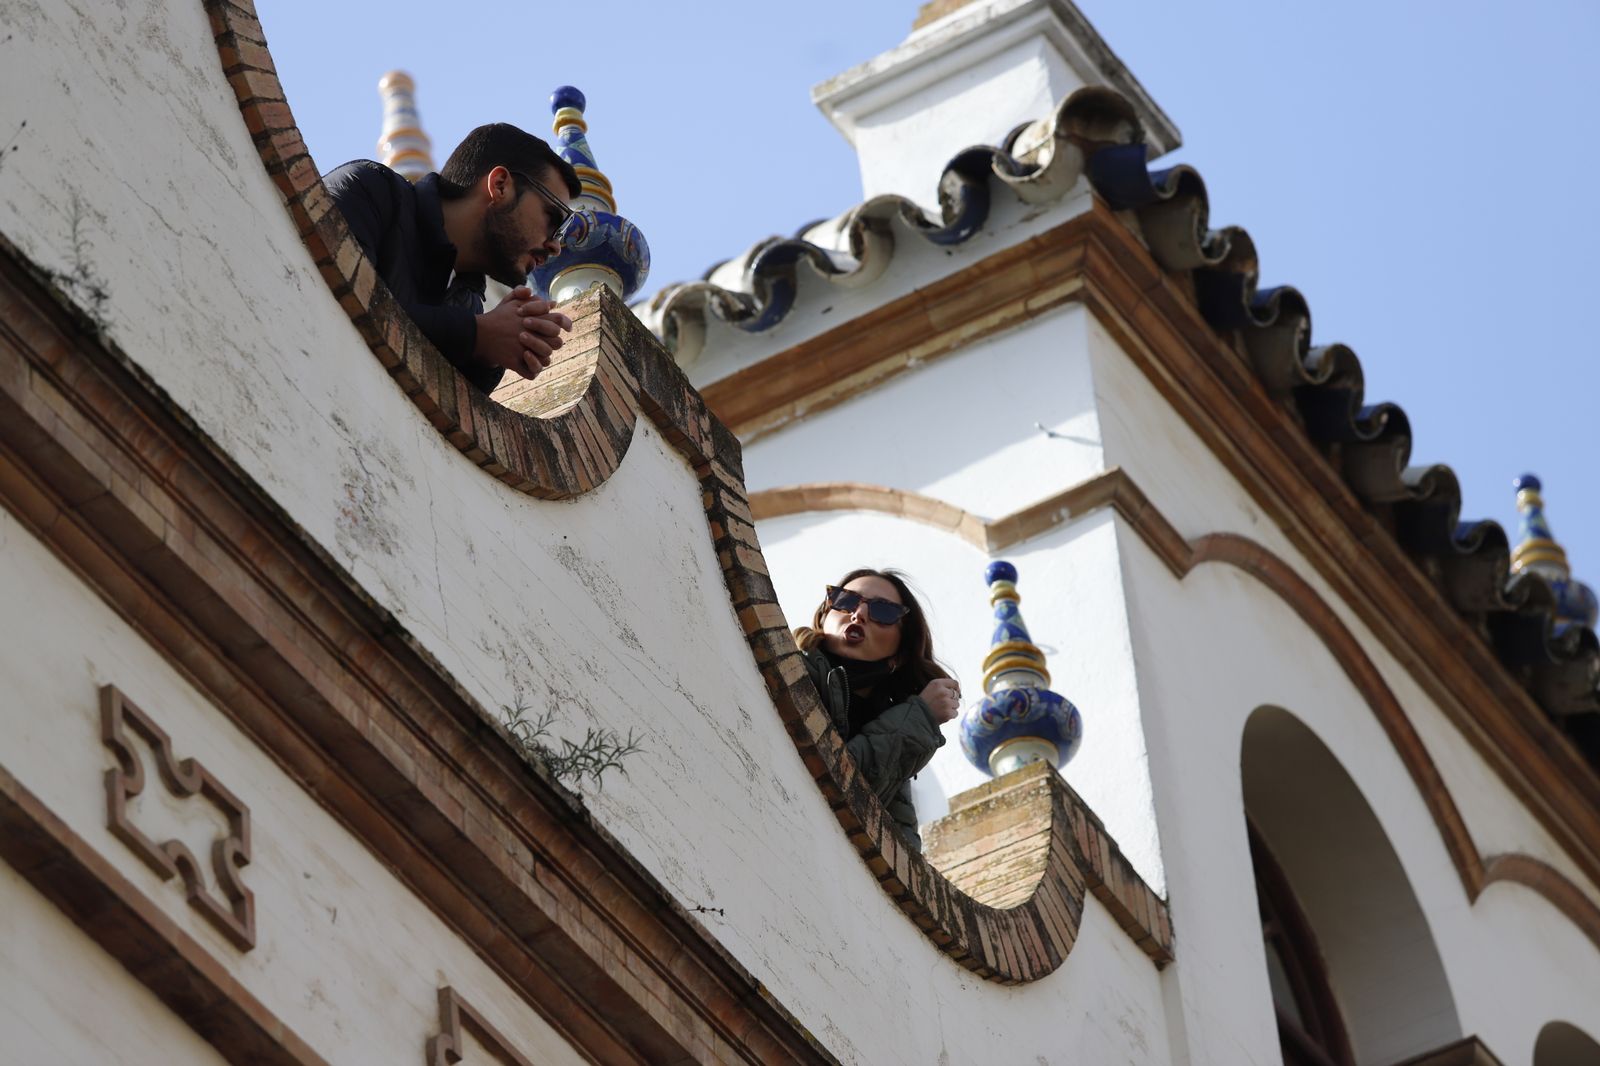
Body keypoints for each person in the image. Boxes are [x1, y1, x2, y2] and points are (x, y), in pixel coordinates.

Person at [323, 123, 582, 394]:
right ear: (500, 185)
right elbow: (339, 296)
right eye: (554, 219)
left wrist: (488, 357)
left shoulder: (469, 303)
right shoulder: (370, 192)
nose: (556, 246)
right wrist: (477, 334)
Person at [794, 569, 961, 852]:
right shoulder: (792, 671)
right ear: (824, 615)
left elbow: (894, 850)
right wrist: (918, 718)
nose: (858, 614)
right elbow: (824, 784)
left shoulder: (891, 726)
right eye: (845, 601)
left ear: (902, 651)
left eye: (883, 611)